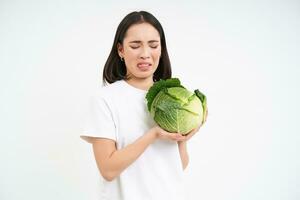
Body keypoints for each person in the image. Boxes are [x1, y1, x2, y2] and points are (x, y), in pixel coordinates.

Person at [80, 11, 205, 200]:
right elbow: (107, 169)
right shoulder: (105, 99)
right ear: (121, 50)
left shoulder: (171, 98)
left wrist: (183, 137)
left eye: (153, 45)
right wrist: (153, 134)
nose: (145, 54)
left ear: (161, 49)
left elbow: (177, 166)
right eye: (135, 46)